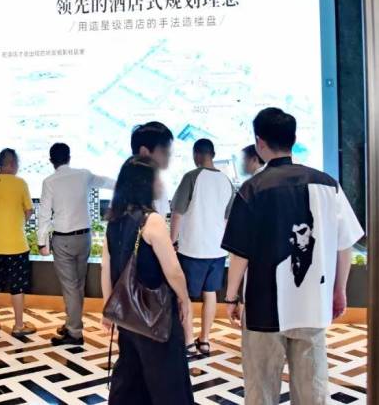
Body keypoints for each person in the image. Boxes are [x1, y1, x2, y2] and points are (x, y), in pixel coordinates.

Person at [222, 108, 364, 405]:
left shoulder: (252, 188)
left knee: (261, 389)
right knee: (312, 389)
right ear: (294, 139)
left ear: (260, 142)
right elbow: (345, 244)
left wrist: (232, 297)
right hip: (313, 303)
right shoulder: (328, 184)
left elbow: (240, 254)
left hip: (263, 308)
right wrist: (339, 290)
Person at [101, 156, 194, 404]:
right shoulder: (152, 221)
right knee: (168, 383)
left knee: (131, 380)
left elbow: (106, 267)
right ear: (146, 184)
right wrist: (184, 299)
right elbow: (173, 271)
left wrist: (109, 308)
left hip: (127, 316)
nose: (161, 183)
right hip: (156, 315)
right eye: (157, 178)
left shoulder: (114, 219)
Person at [37, 143, 115, 345]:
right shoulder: (83, 175)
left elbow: (44, 214)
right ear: (69, 157)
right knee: (78, 284)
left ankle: (75, 332)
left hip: (63, 240)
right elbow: (107, 182)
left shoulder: (49, 182)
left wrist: (41, 242)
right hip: (84, 238)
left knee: (70, 287)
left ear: (51, 161)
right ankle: (72, 322)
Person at [169, 139, 235, 358]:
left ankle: (188, 342)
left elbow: (177, 212)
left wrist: (171, 241)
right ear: (212, 154)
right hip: (217, 249)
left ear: (196, 154)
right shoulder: (226, 181)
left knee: (184, 296)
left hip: (192, 249)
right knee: (210, 293)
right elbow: (227, 219)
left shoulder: (191, 177)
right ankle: (205, 341)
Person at [0, 148, 36, 338]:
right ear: (12, 163)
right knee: (17, 287)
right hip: (16, 245)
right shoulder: (20, 183)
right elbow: (29, 211)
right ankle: (19, 325)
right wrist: (20, 220)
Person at [130, 121, 174, 216]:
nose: (169, 156)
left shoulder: (159, 185)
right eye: (164, 151)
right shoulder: (129, 187)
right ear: (144, 152)